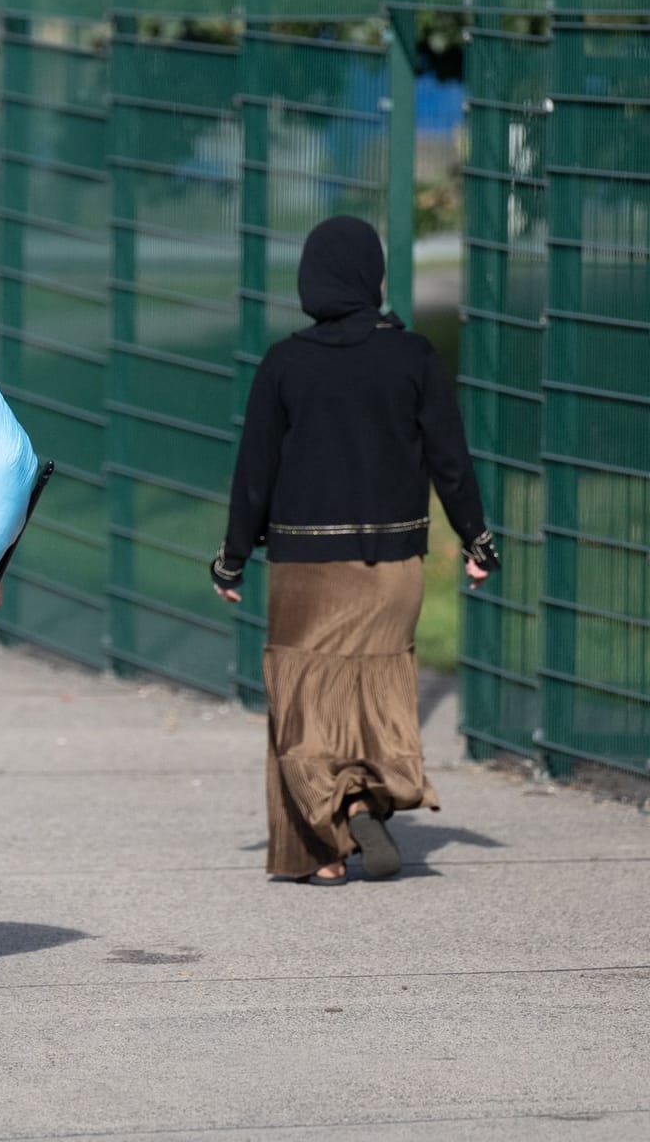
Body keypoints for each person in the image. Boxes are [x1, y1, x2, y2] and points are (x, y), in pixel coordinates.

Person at [212, 216, 498, 886]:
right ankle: (367, 795)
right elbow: (450, 462)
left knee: (306, 697)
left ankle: (323, 850)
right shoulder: (414, 357)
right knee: (377, 688)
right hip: (393, 567)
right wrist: (477, 541)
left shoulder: (285, 364)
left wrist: (231, 558)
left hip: (307, 569)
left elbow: (255, 473)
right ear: (372, 278)